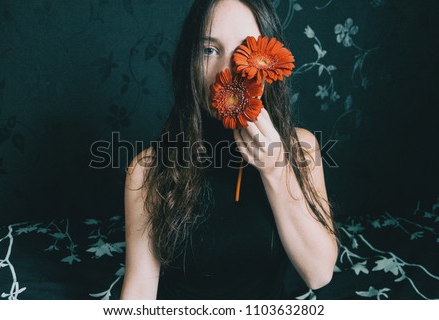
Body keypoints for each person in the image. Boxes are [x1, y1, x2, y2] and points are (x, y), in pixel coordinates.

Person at [120, 0, 338, 300]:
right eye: (209, 50)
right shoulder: (147, 170)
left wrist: (276, 170)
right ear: (189, 62)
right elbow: (140, 291)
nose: (228, 70)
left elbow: (319, 273)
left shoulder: (301, 149)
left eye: (245, 50)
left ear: (267, 61)